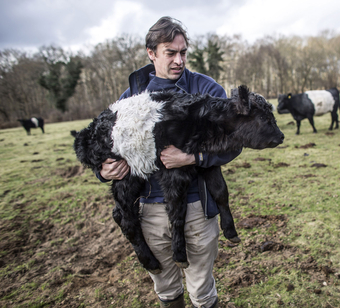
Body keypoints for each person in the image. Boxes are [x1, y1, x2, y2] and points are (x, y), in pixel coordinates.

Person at [96, 16, 241, 308]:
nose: (179, 60)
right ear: (151, 54)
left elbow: (234, 141)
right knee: (166, 286)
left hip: (197, 206)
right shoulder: (132, 97)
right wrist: (104, 170)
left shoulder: (207, 90)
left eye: (183, 52)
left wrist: (192, 157)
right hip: (150, 210)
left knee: (201, 287)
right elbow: (105, 144)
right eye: (170, 53)